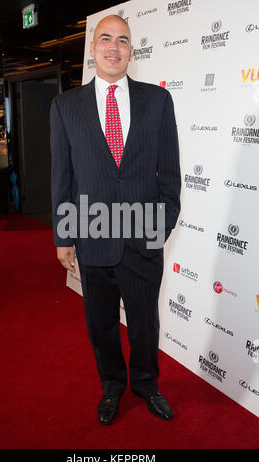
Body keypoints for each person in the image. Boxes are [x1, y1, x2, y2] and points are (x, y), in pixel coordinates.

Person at [50, 15, 181, 425]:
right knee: (102, 325)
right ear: (93, 48)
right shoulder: (65, 105)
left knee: (145, 322)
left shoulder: (157, 101)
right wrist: (63, 235)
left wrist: (161, 223)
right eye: (105, 39)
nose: (113, 47)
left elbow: (170, 173)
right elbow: (62, 177)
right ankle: (112, 388)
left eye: (122, 40)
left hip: (143, 237)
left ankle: (146, 384)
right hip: (92, 238)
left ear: (131, 50)